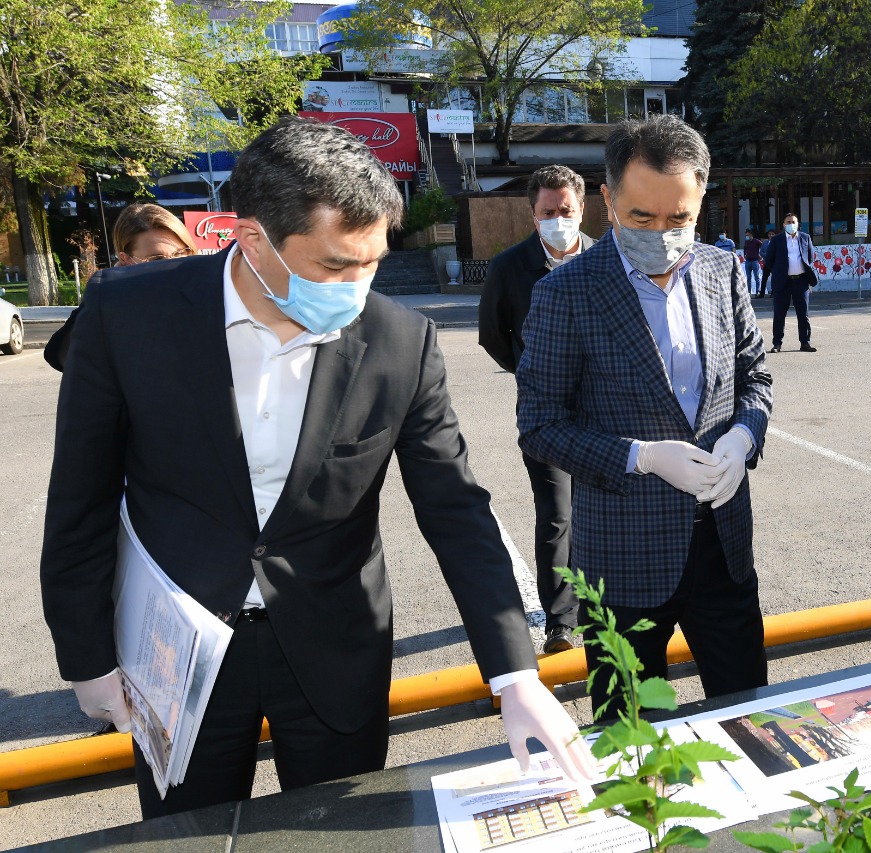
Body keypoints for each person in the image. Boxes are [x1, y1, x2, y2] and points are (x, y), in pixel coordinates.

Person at [40, 116, 593, 819]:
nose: (357, 289)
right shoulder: (128, 314)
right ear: (253, 240)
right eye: (335, 267)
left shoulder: (400, 341)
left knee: (341, 834)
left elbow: (456, 508)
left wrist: (516, 675)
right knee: (189, 836)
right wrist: (84, 654)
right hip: (176, 657)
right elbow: (80, 498)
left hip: (336, 648)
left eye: (373, 263)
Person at [516, 115, 773, 718]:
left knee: (747, 714)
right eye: (641, 218)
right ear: (607, 199)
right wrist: (645, 457)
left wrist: (742, 437)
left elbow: (755, 378)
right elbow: (540, 424)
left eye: (679, 219)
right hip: (624, 560)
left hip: (723, 546)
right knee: (630, 740)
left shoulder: (721, 271)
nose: (662, 234)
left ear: (701, 200)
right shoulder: (566, 293)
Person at [478, 165, 595, 654]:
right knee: (557, 514)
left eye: (566, 211)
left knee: (607, 507)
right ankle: (562, 622)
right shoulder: (509, 268)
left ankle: (604, 605)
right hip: (546, 416)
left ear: (583, 209)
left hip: (606, 410)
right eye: (548, 212)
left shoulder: (610, 259)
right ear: (533, 214)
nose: (558, 219)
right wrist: (532, 373)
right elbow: (492, 335)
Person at [44, 203, 198, 372]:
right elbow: (62, 355)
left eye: (181, 253)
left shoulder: (207, 292)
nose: (173, 265)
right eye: (157, 259)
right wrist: (111, 287)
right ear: (126, 260)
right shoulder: (119, 304)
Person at [762, 213, 818, 353]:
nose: (791, 224)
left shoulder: (805, 237)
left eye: (793, 222)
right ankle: (777, 344)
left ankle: (805, 343)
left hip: (801, 281)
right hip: (783, 282)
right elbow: (769, 260)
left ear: (798, 223)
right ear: (783, 224)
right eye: (788, 222)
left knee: (803, 314)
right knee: (780, 314)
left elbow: (810, 257)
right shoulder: (777, 240)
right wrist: (779, 270)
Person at [742, 229, 764, 297]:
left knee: (756, 277)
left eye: (747, 235)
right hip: (748, 261)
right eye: (746, 235)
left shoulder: (756, 241)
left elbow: (762, 245)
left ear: (751, 235)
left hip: (755, 261)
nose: (746, 236)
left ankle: (758, 291)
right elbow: (745, 249)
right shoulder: (746, 242)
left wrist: (760, 254)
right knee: (748, 277)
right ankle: (749, 292)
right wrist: (745, 254)